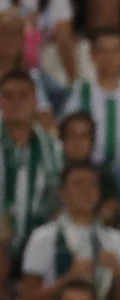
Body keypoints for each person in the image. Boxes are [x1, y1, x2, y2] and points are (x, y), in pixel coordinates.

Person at [19, 162, 120, 300]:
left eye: (91, 184)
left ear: (99, 193)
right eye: (77, 184)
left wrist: (118, 277)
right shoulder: (43, 237)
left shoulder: (115, 240)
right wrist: (69, 279)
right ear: (62, 193)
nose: (85, 190)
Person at [59, 28, 120, 201]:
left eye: (115, 50)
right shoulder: (82, 91)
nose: (109, 57)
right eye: (103, 51)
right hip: (89, 166)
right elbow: (67, 128)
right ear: (92, 56)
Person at [0, 69, 63, 271]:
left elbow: (57, 201)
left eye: (23, 96)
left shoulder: (53, 149)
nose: (15, 103)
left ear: (36, 101)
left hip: (38, 250)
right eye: (8, 96)